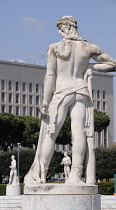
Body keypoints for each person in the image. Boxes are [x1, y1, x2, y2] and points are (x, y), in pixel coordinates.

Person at [24, 16, 116, 185]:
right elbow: (112, 64)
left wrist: (45, 101)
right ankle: (75, 176)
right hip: (80, 91)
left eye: (60, 28)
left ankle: (40, 175)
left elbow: (50, 75)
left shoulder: (55, 48)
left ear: (68, 26)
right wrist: (90, 68)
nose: (59, 32)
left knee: (50, 134)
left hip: (61, 93)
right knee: (78, 133)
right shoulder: (89, 47)